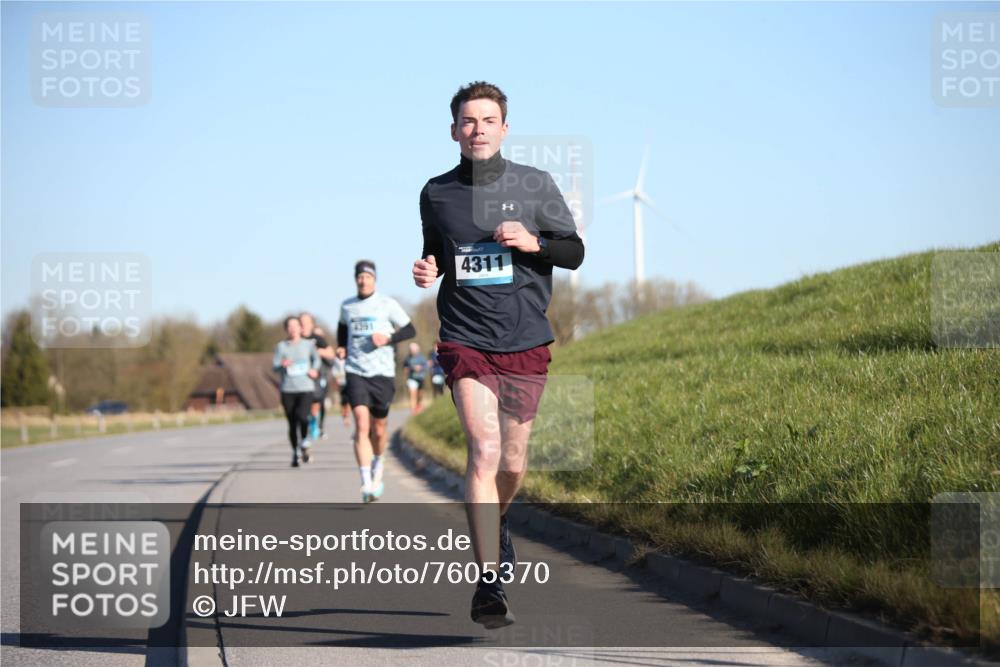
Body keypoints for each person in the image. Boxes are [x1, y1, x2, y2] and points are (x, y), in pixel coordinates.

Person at [412, 81, 584, 629]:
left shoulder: (535, 184)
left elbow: (574, 252)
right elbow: (435, 252)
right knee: (483, 452)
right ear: (454, 130)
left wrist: (535, 243)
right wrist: (427, 268)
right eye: (468, 121)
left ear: (504, 128)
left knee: (512, 462)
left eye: (488, 120)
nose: (478, 129)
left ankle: (498, 522)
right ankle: (489, 583)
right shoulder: (435, 192)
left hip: (526, 338)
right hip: (464, 338)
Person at [337, 260, 416, 502]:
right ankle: (366, 483)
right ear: (355, 280)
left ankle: (378, 462)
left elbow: (410, 330)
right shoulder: (347, 306)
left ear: (374, 279)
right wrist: (341, 347)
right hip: (356, 370)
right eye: (360, 277)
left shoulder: (387, 304)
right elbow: (342, 330)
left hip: (382, 373)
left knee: (379, 429)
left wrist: (388, 338)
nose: (363, 280)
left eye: (367, 277)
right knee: (362, 424)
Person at [272, 316, 321, 467]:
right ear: (286, 329)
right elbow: (275, 366)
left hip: (305, 387)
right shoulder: (281, 347)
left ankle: (305, 440)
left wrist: (314, 370)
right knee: (292, 423)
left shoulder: (308, 345)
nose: (293, 329)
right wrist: (282, 364)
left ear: (300, 328)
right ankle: (295, 452)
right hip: (288, 389)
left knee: (303, 417)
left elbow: (317, 360)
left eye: (295, 326)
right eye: (289, 326)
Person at [300, 313, 336, 455]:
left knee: (315, 402)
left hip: (316, 375)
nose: (303, 325)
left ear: (311, 324)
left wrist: (318, 351)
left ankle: (313, 422)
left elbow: (331, 353)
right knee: (302, 407)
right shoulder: (296, 339)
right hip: (299, 378)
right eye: (301, 322)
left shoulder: (317, 339)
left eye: (306, 322)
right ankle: (306, 427)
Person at [402, 341, 428, 414]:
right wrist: (408, 369)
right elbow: (405, 367)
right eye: (411, 350)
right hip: (411, 378)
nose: (412, 351)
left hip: (420, 378)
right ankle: (413, 411)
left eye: (414, 350)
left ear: (417, 350)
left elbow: (426, 366)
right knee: (412, 394)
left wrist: (420, 368)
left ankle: (418, 406)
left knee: (420, 394)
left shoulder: (422, 358)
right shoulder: (407, 358)